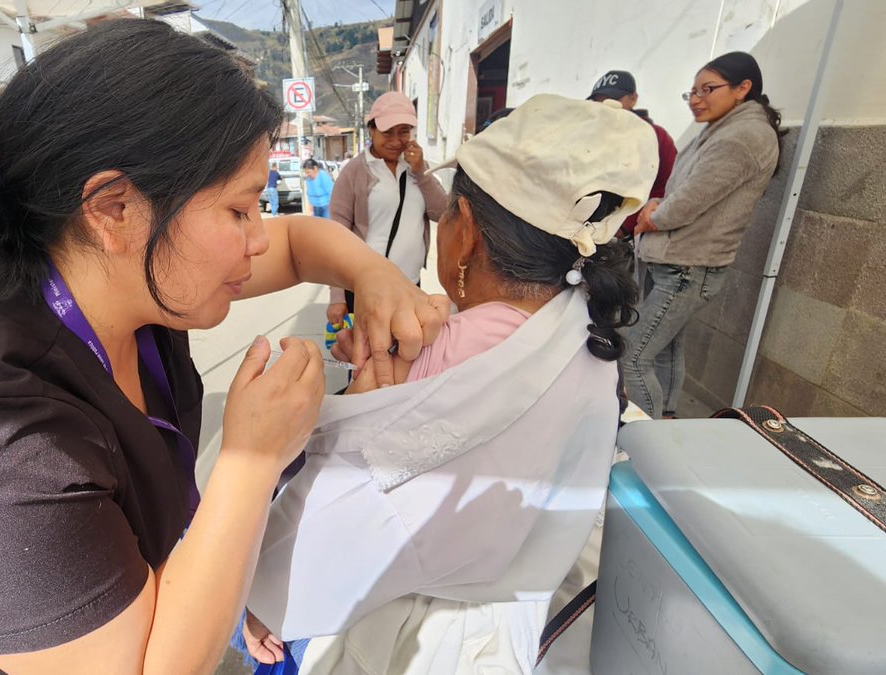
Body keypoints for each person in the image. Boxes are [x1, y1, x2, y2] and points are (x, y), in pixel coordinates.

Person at [0, 19, 446, 674]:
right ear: (115, 209)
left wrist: (376, 278)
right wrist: (253, 458)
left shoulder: (118, 271)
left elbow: (302, 242)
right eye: (238, 210)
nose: (258, 238)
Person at [241, 94, 657, 673]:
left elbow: (345, 508)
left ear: (465, 231)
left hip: (406, 625)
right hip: (515, 616)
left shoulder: (438, 348)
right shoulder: (585, 334)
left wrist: (266, 601)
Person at [625, 51, 784, 419]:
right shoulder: (723, 128)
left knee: (634, 356)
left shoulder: (742, 136)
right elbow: (680, 190)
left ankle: (645, 435)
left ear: (742, 88)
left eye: (707, 89)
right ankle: (666, 420)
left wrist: (650, 217)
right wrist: (656, 205)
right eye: (692, 92)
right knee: (665, 351)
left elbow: (686, 203)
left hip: (687, 267)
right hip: (680, 261)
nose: (696, 99)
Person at [327, 91, 448, 325]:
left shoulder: (417, 167)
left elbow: (442, 213)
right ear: (372, 130)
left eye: (403, 131)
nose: (396, 140)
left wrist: (420, 171)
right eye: (387, 132)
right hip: (367, 287)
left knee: (409, 343)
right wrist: (337, 296)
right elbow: (336, 236)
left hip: (410, 283)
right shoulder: (355, 172)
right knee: (370, 346)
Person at [588, 70, 678, 238]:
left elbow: (667, 185)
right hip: (583, 226)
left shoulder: (656, 137)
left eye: (613, 99)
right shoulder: (589, 134)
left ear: (633, 99)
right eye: (598, 101)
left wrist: (623, 227)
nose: (605, 105)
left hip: (628, 232)